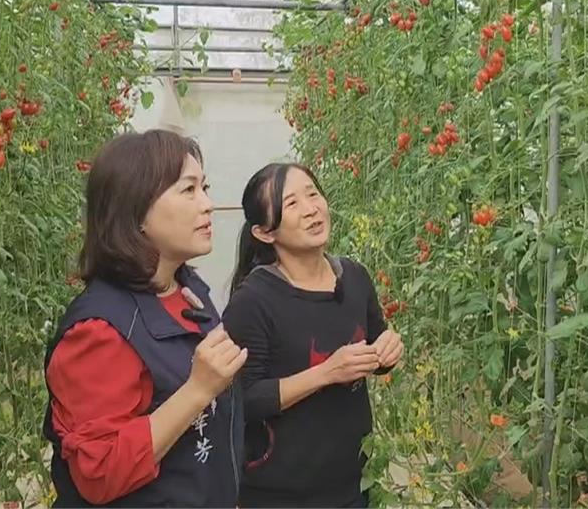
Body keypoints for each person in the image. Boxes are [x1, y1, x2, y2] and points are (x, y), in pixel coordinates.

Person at [42, 130, 247, 507]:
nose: (208, 205)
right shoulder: (100, 331)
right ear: (136, 211)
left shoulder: (187, 288)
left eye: (205, 187)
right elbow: (99, 474)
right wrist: (198, 390)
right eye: (189, 190)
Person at [222, 162, 404, 508]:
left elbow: (375, 344)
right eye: (291, 204)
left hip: (352, 484)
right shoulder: (254, 301)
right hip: (281, 495)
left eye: (313, 194)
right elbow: (242, 399)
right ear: (264, 232)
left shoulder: (353, 277)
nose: (311, 209)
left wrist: (386, 352)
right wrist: (326, 373)